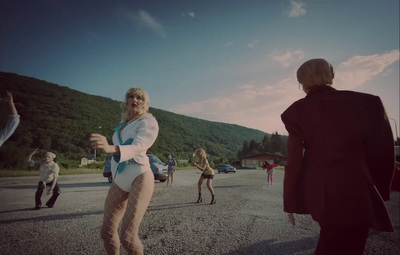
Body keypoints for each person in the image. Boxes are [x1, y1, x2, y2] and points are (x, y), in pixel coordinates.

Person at [281, 58, 395, 255]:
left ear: (301, 83)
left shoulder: (296, 111)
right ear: (332, 76)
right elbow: (383, 154)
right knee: (354, 245)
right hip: (358, 190)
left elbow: (294, 161)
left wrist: (290, 201)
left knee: (330, 240)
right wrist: (379, 192)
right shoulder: (369, 102)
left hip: (321, 192)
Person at [89, 87, 159, 255]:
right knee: (106, 232)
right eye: (131, 96)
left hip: (140, 175)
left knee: (127, 236)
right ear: (126, 102)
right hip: (119, 178)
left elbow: (138, 146)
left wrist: (110, 147)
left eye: (139, 97)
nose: (135, 99)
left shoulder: (148, 121)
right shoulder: (121, 126)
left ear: (145, 102)